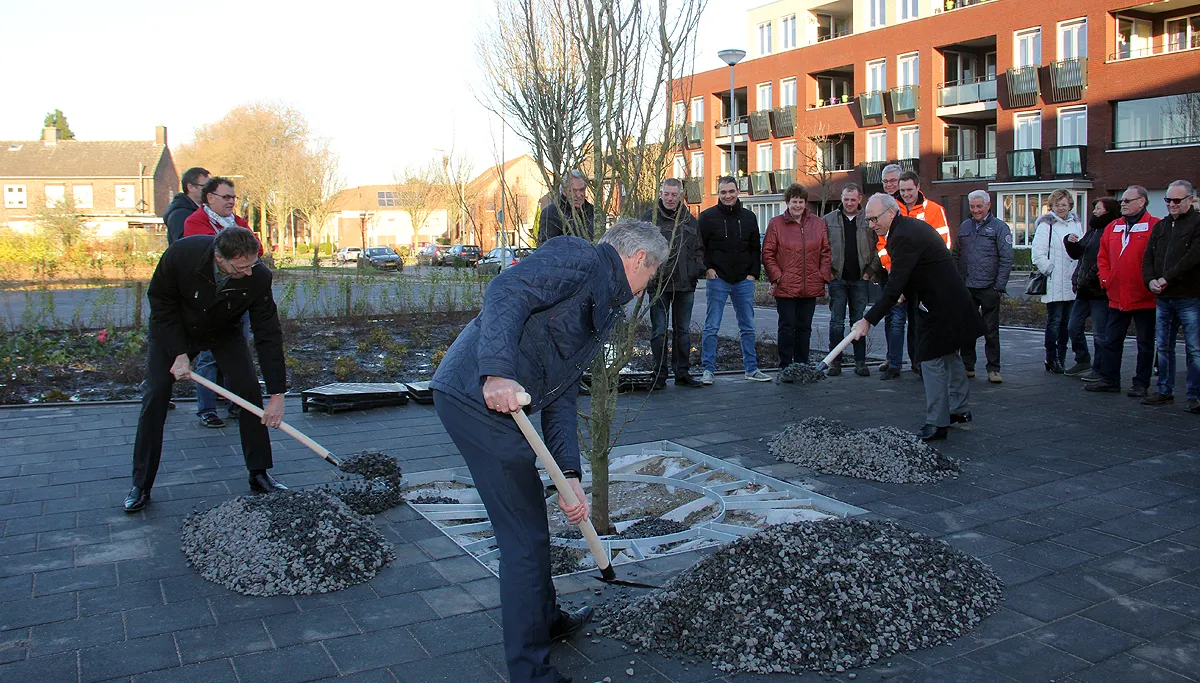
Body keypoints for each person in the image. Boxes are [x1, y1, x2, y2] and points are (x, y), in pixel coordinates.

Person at [430, 220, 668, 683]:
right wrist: (495, 373)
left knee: (531, 526)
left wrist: (569, 476)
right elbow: (506, 290)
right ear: (640, 260)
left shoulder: (606, 311)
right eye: (650, 278)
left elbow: (561, 393)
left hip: (502, 407)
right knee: (523, 541)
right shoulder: (579, 257)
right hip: (474, 398)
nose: (645, 289)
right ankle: (530, 672)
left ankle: (546, 619)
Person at [124, 227, 288, 513]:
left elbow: (268, 333)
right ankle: (141, 483)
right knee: (157, 394)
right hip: (176, 330)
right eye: (241, 267)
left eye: (252, 264)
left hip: (224, 332)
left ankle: (259, 473)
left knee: (248, 388)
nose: (249, 272)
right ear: (219, 258)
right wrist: (178, 353)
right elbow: (160, 302)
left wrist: (277, 394)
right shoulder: (182, 255)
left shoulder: (258, 276)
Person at [852, 194, 985, 442]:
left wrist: (867, 320)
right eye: (868, 220)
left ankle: (937, 422)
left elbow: (894, 285)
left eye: (873, 219)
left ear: (890, 213)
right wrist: (905, 291)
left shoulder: (902, 236)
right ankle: (959, 409)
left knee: (929, 358)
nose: (871, 225)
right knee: (948, 354)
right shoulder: (906, 229)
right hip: (949, 301)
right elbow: (915, 272)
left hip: (942, 305)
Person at [183, 177, 257, 428]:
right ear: (210, 197)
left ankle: (236, 403)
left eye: (234, 198)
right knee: (208, 357)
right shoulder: (195, 222)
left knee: (238, 354)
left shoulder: (238, 223)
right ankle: (207, 409)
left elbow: (256, 248)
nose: (231, 202)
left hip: (238, 300)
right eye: (226, 197)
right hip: (209, 303)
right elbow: (204, 253)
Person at [1088, 186, 1159, 396]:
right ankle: (1109, 380)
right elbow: (1103, 256)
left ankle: (1141, 384)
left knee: (1145, 343)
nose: (1123, 204)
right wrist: (1105, 279)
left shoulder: (1154, 226)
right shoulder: (1113, 227)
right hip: (1116, 295)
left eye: (1128, 200)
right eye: (1122, 201)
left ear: (1142, 202)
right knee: (1111, 340)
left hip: (1144, 296)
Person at [698, 176, 770, 383]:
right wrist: (708, 269)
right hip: (718, 278)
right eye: (723, 192)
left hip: (743, 280)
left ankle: (751, 368)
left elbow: (756, 247)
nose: (727, 195)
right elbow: (699, 247)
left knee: (747, 326)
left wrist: (752, 274)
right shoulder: (707, 217)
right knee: (712, 326)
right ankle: (708, 370)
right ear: (718, 193)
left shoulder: (749, 217)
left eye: (731, 191)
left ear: (738, 191)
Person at [1142, 180, 1200, 411]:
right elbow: (1148, 258)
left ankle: (1194, 395)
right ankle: (1164, 390)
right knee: (1164, 346)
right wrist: (1150, 281)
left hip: (1189, 296)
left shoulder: (1198, 224)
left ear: (1190, 199)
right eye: (1168, 200)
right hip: (1163, 298)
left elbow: (1193, 257)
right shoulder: (1161, 226)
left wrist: (1167, 279)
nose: (1172, 205)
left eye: (1177, 200)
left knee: (1194, 348)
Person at [641, 178, 705, 388]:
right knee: (659, 331)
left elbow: (699, 250)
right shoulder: (649, 219)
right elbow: (639, 251)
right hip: (659, 286)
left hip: (685, 285)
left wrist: (696, 269)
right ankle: (659, 375)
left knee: (683, 331)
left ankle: (682, 373)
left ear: (680, 196)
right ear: (660, 193)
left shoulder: (690, 220)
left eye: (674, 195)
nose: (670, 198)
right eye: (666, 194)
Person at [763, 183, 831, 376]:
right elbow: (768, 253)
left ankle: (802, 364)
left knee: (804, 328)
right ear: (788, 202)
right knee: (787, 326)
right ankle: (785, 365)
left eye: (801, 201)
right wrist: (777, 276)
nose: (798, 205)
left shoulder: (818, 224)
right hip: (785, 286)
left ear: (805, 202)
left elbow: (826, 252)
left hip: (810, 284)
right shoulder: (776, 224)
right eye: (794, 201)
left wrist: (822, 276)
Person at [953, 190, 1013, 384]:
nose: (976, 210)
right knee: (966, 328)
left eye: (979, 206)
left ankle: (993, 369)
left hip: (989, 287)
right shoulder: (964, 227)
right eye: (972, 206)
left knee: (990, 330)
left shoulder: (999, 228)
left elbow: (1006, 258)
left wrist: (999, 286)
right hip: (967, 286)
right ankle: (967, 365)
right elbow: (955, 255)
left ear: (988, 205)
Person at [824, 183, 879, 376]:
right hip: (837, 279)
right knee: (836, 322)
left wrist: (869, 271)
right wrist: (828, 273)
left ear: (860, 199)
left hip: (860, 279)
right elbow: (822, 249)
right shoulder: (829, 220)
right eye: (846, 199)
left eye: (853, 200)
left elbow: (878, 247)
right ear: (841, 198)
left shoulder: (870, 220)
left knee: (859, 321)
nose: (849, 203)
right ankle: (834, 363)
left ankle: (860, 362)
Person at [1065, 197, 1122, 380]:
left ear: (1108, 211)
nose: (1095, 211)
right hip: (1083, 290)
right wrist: (1070, 243)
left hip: (1098, 291)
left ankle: (1099, 368)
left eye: (1099, 208)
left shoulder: (1112, 230)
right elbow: (1079, 253)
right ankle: (1082, 358)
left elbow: (1104, 261)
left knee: (1100, 332)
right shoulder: (1093, 230)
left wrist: (1090, 280)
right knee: (1073, 326)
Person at [1032, 189, 1085, 374]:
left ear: (1070, 205)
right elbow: (1037, 253)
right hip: (1054, 280)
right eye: (1057, 205)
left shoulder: (1076, 224)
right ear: (1051, 207)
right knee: (1054, 321)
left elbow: (1081, 248)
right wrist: (1050, 269)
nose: (1061, 208)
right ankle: (1051, 357)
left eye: (1064, 205)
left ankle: (1061, 357)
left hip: (1072, 280)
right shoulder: (1047, 225)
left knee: (1067, 323)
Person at [538, 170, 595, 245]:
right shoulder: (551, 213)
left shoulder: (593, 212)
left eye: (582, 190)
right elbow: (547, 248)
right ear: (564, 191)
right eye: (573, 191)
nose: (578, 195)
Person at [162, 166, 209, 246]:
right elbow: (183, 247)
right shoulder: (179, 215)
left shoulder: (202, 210)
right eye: (206, 186)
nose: (210, 190)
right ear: (190, 187)